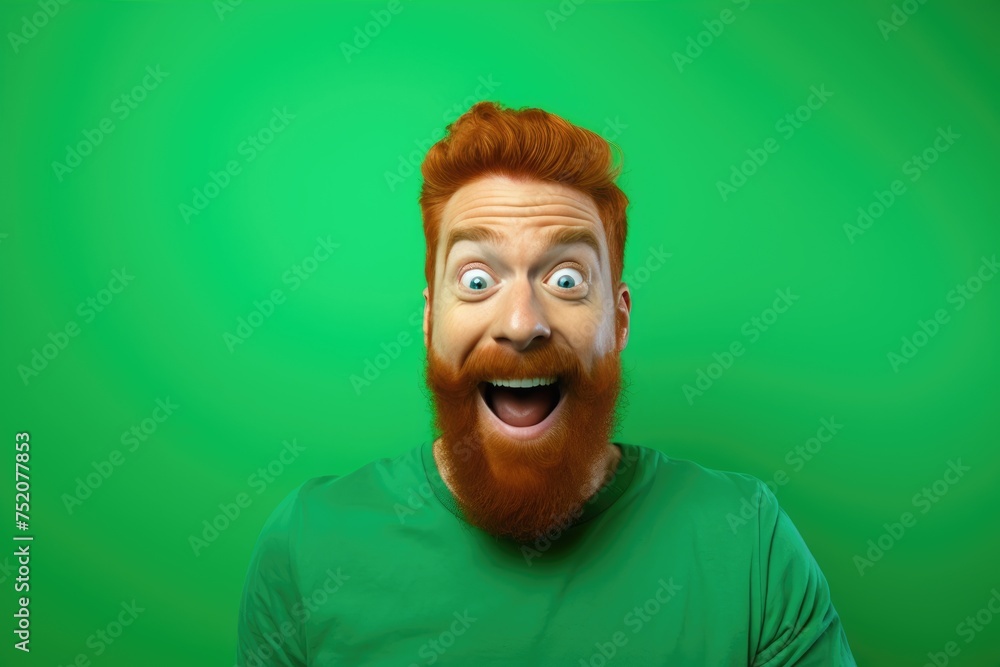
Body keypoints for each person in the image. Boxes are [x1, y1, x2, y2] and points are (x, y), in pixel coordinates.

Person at [235, 101, 858, 665]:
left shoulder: (745, 540)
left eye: (565, 280)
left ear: (619, 318)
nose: (522, 323)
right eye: (477, 280)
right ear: (430, 320)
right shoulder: (310, 542)